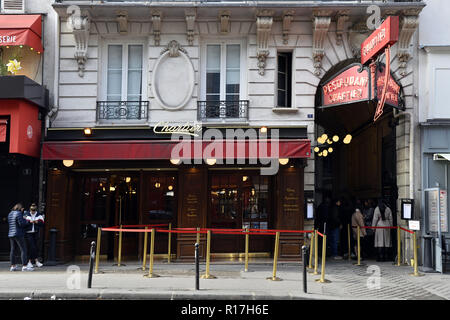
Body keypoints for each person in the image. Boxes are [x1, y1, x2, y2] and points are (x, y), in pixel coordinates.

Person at [8, 203, 32, 271]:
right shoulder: (18, 213)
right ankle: (24, 266)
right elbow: (21, 224)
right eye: (22, 209)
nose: (22, 210)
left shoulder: (10, 213)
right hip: (18, 234)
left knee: (13, 250)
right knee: (23, 249)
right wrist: (27, 221)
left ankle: (13, 266)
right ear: (20, 208)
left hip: (11, 234)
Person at [24, 203, 44, 268]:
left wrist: (37, 222)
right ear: (30, 209)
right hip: (28, 233)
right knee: (32, 247)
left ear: (36, 210)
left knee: (35, 247)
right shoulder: (26, 214)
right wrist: (29, 222)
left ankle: (34, 261)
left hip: (35, 232)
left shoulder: (39, 214)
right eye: (32, 210)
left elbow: (42, 223)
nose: (33, 211)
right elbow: (23, 223)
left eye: (34, 210)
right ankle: (32, 261)